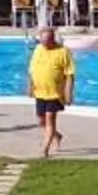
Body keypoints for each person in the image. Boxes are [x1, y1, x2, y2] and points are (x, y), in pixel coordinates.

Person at [28, 26, 76, 157]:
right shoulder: (38, 49)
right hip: (40, 92)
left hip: (55, 93)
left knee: (50, 119)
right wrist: (30, 86)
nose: (44, 43)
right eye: (42, 40)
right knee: (41, 121)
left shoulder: (63, 51)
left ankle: (45, 148)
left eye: (46, 40)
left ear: (53, 39)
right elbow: (32, 70)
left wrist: (69, 93)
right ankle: (57, 135)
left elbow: (70, 75)